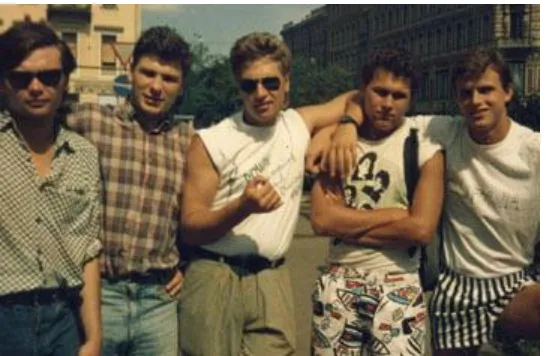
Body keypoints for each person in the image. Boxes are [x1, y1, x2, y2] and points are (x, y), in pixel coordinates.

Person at [324, 47, 540, 355]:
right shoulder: (443, 131)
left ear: (508, 92)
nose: (476, 101)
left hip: (515, 285)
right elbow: (370, 100)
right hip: (456, 291)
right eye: (466, 93)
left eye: (486, 90)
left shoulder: (534, 151)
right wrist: (345, 124)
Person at [178, 32, 359, 355]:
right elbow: (191, 227)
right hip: (215, 275)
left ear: (286, 82)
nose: (261, 93)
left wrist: (344, 127)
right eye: (250, 85)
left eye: (270, 83)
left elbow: (356, 97)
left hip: (271, 276)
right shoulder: (212, 141)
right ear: (239, 88)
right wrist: (242, 207)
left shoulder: (297, 124)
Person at [65, 26, 192, 355]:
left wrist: (189, 263)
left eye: (168, 78)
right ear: (130, 68)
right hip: (98, 295)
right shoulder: (89, 122)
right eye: (148, 73)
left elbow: (201, 212)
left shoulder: (189, 144)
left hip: (159, 300)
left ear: (181, 86)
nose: (156, 87)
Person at [310, 49, 445, 355]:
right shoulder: (337, 142)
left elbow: (421, 230)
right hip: (339, 279)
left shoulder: (424, 147)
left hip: (399, 283)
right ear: (363, 91)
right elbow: (321, 220)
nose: (387, 104)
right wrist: (395, 216)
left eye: (399, 96)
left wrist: (347, 223)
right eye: (380, 92)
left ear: (410, 100)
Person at [0, 20, 102, 355]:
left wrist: (93, 338)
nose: (35, 87)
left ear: (64, 82)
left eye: (48, 77)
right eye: (21, 77)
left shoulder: (84, 156)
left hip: (64, 321)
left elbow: (88, 251)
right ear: (3, 83)